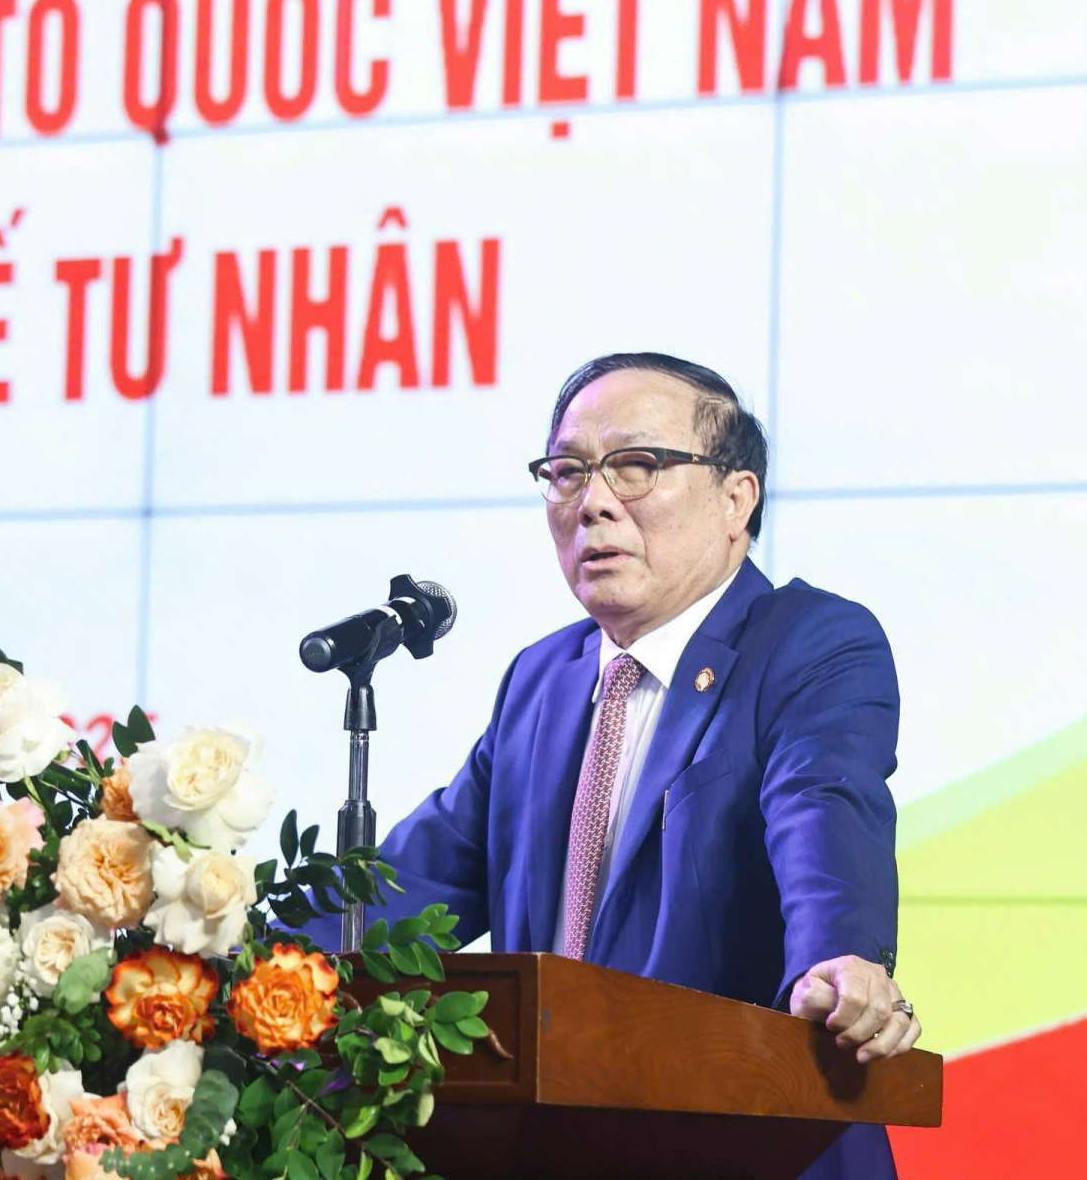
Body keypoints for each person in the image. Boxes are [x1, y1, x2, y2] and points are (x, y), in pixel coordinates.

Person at [331, 352, 920, 1180]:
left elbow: (820, 805)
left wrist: (839, 956)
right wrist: (216, 958)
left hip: (755, 1148)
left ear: (736, 498)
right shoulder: (542, 679)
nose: (594, 501)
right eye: (568, 471)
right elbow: (414, 884)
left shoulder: (808, 644)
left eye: (636, 465)